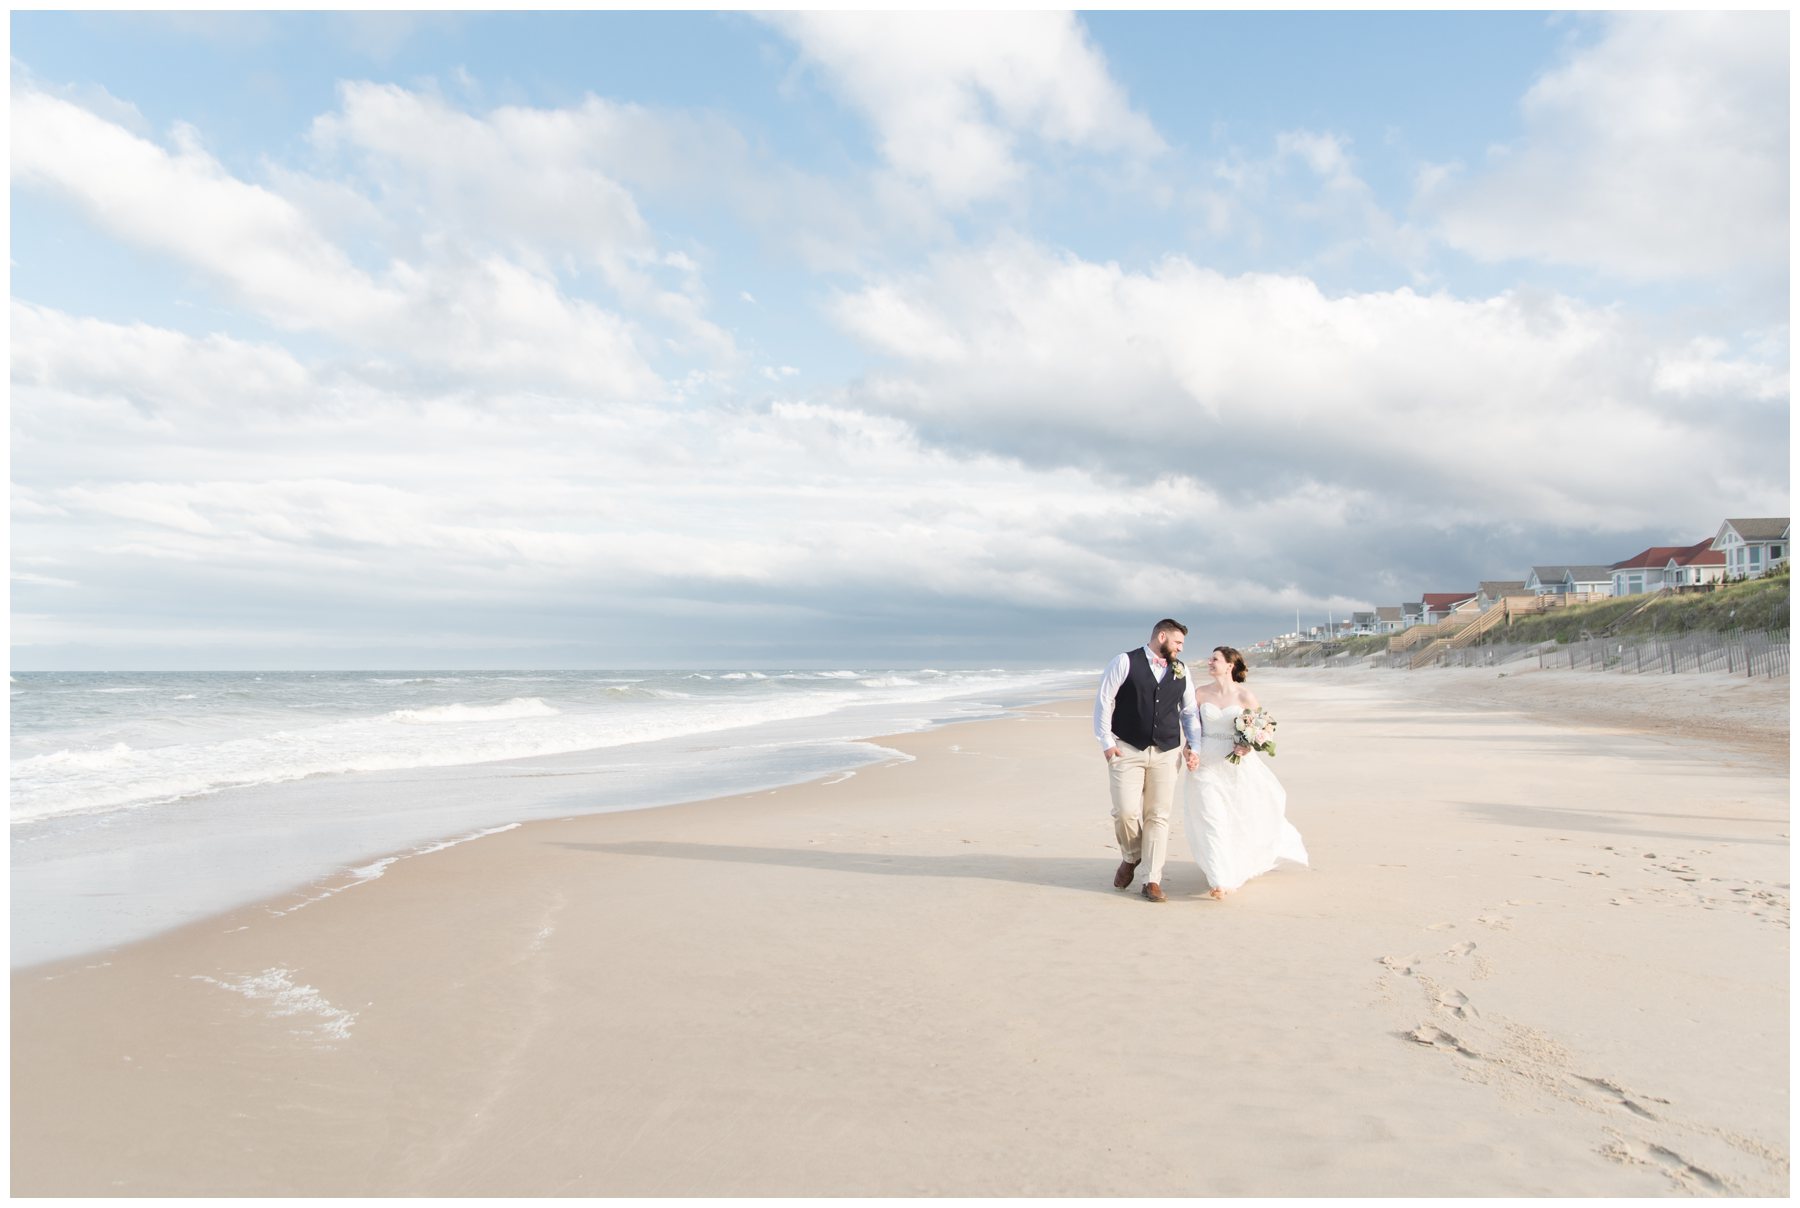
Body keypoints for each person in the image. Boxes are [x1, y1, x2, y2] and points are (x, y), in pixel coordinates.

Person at [1183, 645, 1308, 899]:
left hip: (1234, 764)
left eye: (1214, 659)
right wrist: (1189, 749)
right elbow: (1192, 728)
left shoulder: (1245, 697)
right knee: (1211, 818)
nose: (1210, 662)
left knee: (1237, 817)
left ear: (1230, 665)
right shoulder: (1199, 694)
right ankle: (1221, 880)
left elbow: (1264, 728)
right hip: (1206, 761)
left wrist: (1248, 745)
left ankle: (1235, 863)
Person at [1093, 619, 1202, 903]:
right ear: (1162, 636)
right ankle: (1132, 856)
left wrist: (1194, 745)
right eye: (1177, 643)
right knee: (1125, 812)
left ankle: (1151, 880)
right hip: (1126, 749)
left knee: (1158, 816)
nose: (1180, 648)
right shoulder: (1124, 661)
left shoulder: (1182, 670)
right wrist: (1106, 742)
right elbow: (1105, 700)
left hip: (1167, 752)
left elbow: (1189, 711)